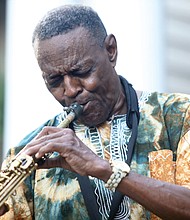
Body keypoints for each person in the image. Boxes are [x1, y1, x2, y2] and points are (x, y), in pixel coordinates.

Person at [0, 4, 190, 220]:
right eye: (54, 80)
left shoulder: (182, 115)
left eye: (81, 71)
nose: (70, 90)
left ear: (111, 50)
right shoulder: (24, 155)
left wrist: (105, 171)